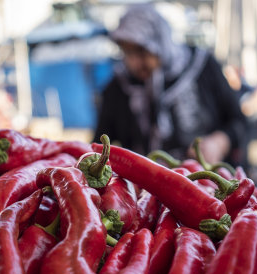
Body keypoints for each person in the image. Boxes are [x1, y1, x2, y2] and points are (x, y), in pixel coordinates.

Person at [93, 3, 248, 166]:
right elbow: (98, 144)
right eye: (127, 52)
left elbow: (239, 121)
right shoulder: (119, 87)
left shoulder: (202, 67)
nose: (133, 63)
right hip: (147, 187)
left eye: (141, 51)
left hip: (208, 181)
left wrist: (219, 142)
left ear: (160, 42)